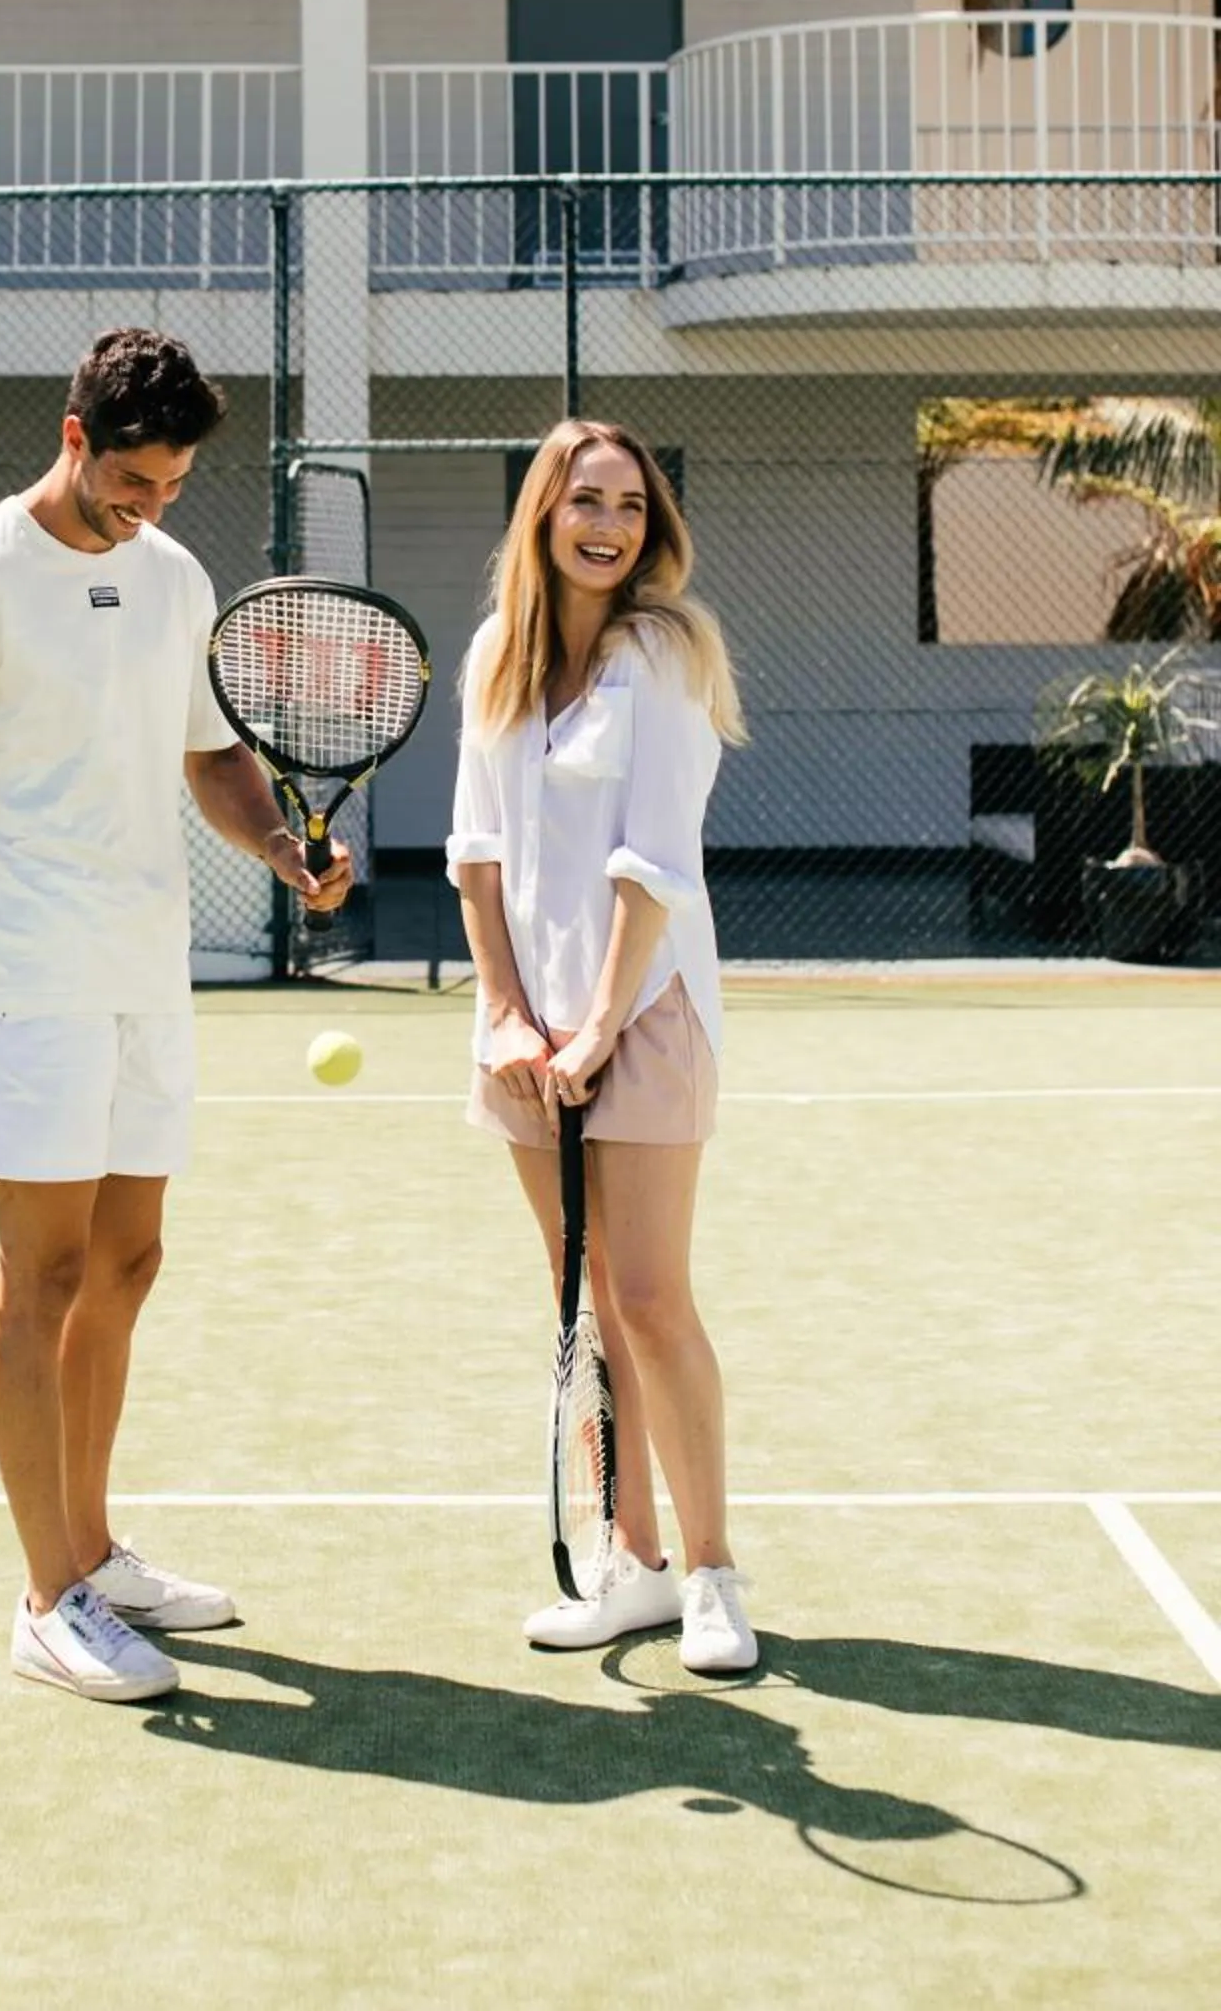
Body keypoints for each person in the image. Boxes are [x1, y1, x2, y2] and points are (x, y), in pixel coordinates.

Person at [0, 327, 351, 1704]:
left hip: (143, 971)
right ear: (74, 437)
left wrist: (283, 850)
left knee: (128, 1266)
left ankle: (93, 1548)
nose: (153, 505)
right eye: (133, 477)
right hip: (25, 981)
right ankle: (44, 1597)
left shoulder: (174, 576)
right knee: (42, 1282)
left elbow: (212, 757)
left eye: (174, 483)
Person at [446, 417, 756, 1676]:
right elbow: (477, 857)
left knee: (647, 1297)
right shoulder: (495, 658)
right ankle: (626, 1562)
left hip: (648, 1011)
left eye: (631, 505)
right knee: (579, 1301)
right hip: (527, 1030)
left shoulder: (663, 656)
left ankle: (712, 1572)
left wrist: (594, 1030)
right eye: (587, 500)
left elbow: (652, 867)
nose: (610, 525)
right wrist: (512, 1013)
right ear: (541, 513)